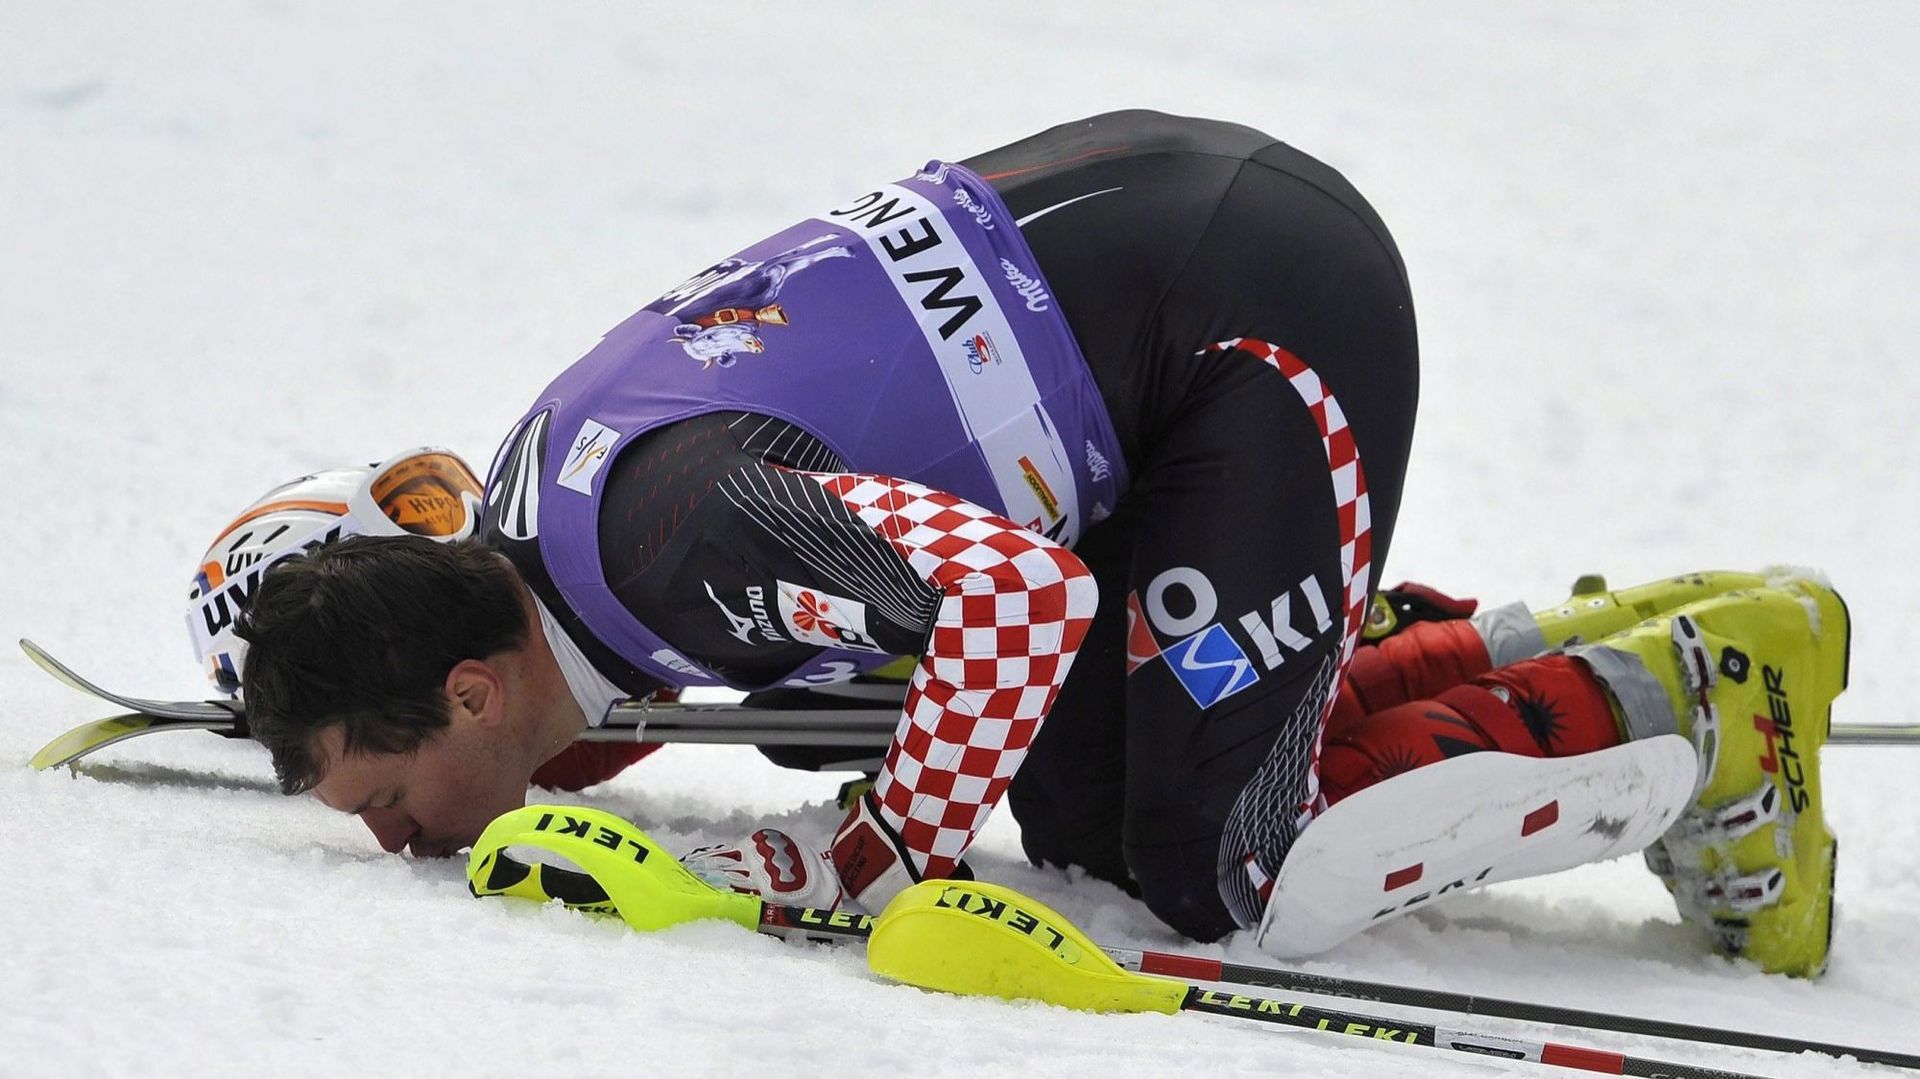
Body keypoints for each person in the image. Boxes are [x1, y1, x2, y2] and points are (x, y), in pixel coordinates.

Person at [219, 111, 1849, 976]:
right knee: (1087, 832)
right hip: (1142, 281)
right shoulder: (553, 535)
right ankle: (1521, 652)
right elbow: (888, 601)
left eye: (380, 800)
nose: (395, 842)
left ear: (471, 691)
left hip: (1250, 316)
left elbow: (1013, 593)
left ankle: (1706, 711)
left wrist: (877, 855)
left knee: (1231, 877)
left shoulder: (664, 548)